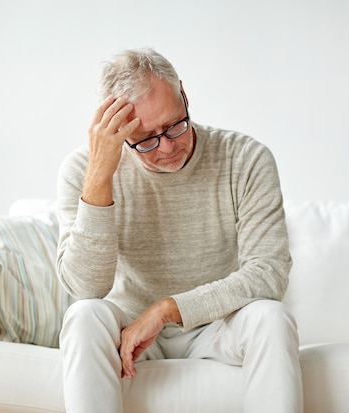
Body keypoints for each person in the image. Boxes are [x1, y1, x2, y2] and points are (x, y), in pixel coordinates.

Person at [56, 48, 302, 412]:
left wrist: (167, 310)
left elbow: (268, 272)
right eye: (145, 139)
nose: (168, 147)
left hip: (217, 327)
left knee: (272, 317)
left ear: (184, 96)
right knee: (83, 316)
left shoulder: (246, 158)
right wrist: (99, 179)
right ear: (118, 132)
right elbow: (85, 289)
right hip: (129, 332)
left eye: (174, 124)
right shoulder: (83, 171)